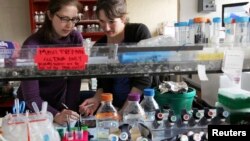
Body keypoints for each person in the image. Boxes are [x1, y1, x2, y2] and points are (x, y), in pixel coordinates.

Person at [79, 0, 152, 115]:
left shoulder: (138, 32)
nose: (106, 28)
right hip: (114, 106)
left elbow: (144, 79)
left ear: (123, 18)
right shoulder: (99, 46)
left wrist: (125, 110)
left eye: (112, 21)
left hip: (141, 106)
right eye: (102, 21)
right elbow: (102, 84)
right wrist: (96, 100)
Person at [17, 0, 83, 125]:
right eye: (64, 18)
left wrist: (70, 111)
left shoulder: (75, 38)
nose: (70, 25)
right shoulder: (32, 45)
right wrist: (56, 115)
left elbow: (74, 82)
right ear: (50, 15)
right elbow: (31, 97)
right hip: (32, 109)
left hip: (58, 105)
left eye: (74, 19)